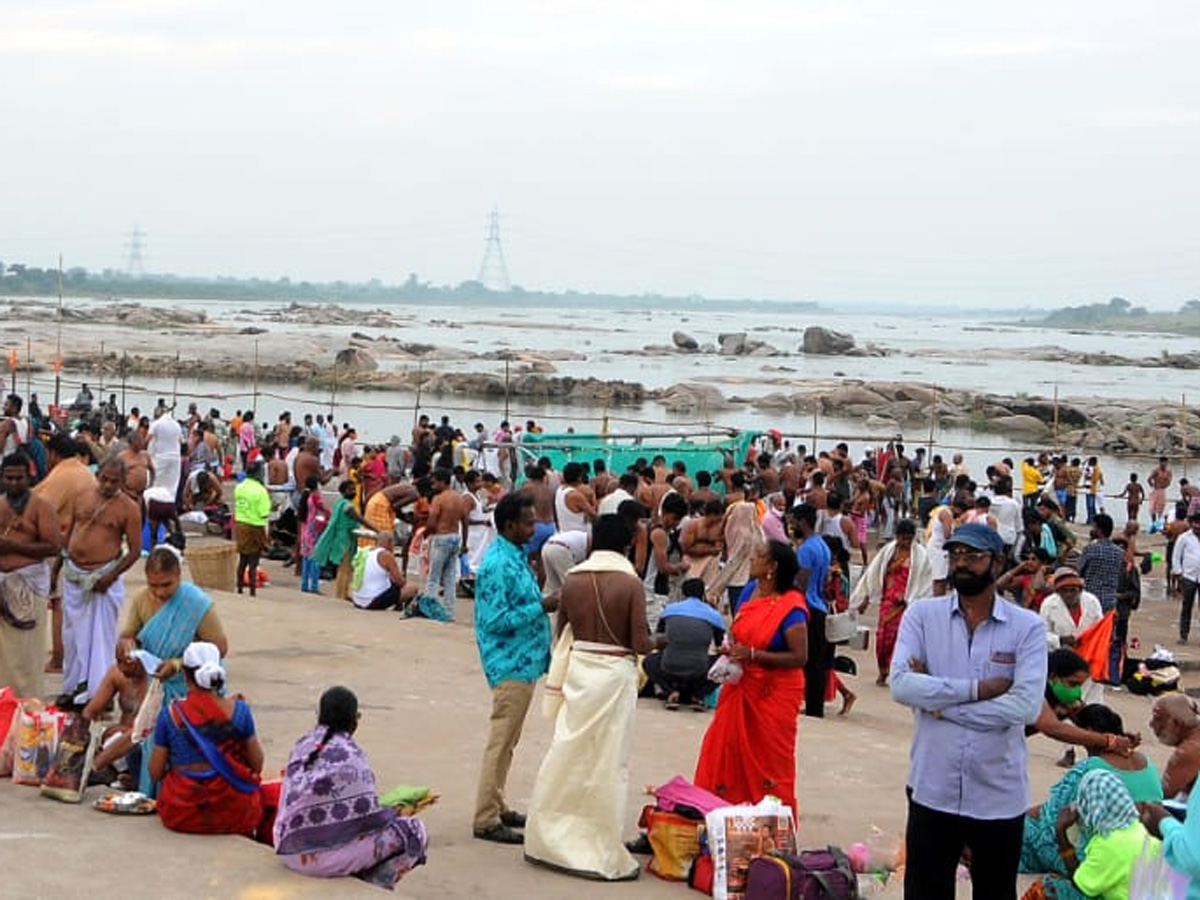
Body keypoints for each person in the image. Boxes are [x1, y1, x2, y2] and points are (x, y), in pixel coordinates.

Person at [890, 522, 1047, 900]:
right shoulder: (922, 617)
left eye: (973, 556)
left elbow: (1025, 706)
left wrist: (940, 706)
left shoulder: (1027, 628)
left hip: (997, 793)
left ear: (997, 562)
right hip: (933, 787)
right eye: (956, 555)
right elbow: (901, 685)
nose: (962, 564)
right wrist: (976, 691)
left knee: (994, 892)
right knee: (925, 892)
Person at [524, 515, 654, 881]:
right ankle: (596, 849)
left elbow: (562, 630)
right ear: (627, 544)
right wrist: (663, 641)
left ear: (594, 541)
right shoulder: (630, 584)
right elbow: (640, 643)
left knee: (565, 753)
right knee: (607, 764)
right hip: (613, 676)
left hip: (579, 670)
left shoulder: (574, 579)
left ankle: (545, 841)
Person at [694, 540, 808, 818]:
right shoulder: (749, 591)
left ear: (772, 568)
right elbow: (739, 631)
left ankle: (770, 824)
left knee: (769, 762)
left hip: (773, 693)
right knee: (725, 751)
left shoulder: (791, 606)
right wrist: (730, 646)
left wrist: (754, 654)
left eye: (759, 556)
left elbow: (799, 657)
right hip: (741, 687)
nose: (752, 559)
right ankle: (724, 817)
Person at [275, 686, 428, 887]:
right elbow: (371, 821)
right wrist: (395, 812)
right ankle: (375, 883)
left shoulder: (303, 745)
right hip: (318, 861)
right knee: (414, 830)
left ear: (319, 715)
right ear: (355, 721)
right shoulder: (353, 758)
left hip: (286, 848)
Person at [472, 492, 558, 845]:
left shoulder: (516, 556)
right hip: (509, 662)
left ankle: (497, 801)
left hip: (523, 661)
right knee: (501, 740)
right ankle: (486, 817)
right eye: (527, 522)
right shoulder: (497, 564)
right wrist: (543, 606)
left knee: (509, 741)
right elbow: (494, 620)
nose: (533, 527)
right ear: (508, 525)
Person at [117, 546, 228, 794]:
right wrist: (128, 647)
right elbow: (127, 635)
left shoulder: (196, 603)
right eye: (153, 586)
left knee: (187, 752)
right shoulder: (141, 601)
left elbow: (220, 648)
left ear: (179, 575)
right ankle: (156, 795)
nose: (159, 593)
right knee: (153, 747)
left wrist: (178, 664)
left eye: (166, 585)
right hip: (158, 689)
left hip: (191, 690)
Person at [1021, 705, 1162, 879]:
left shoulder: (1090, 768)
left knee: (1023, 829)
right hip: (1148, 848)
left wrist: (1022, 817)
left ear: (1089, 732)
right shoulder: (1145, 761)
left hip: (1108, 856)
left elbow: (1053, 814)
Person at [149, 641, 264, 835]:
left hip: (182, 813)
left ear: (184, 674)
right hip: (234, 812)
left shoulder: (170, 714)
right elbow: (257, 764)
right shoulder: (241, 711)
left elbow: (154, 772)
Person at [60, 457, 142, 706]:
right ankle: (73, 687)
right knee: (72, 638)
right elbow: (69, 533)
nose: (107, 485)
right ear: (98, 475)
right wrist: (57, 567)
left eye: (113, 481)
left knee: (101, 641)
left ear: (123, 481)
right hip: (73, 575)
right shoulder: (82, 496)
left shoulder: (129, 508)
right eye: (103, 479)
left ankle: (100, 693)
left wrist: (110, 576)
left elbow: (135, 551)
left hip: (103, 579)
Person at [1027, 769, 1157, 900]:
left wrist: (1061, 834)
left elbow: (1080, 885)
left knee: (1048, 887)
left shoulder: (1108, 844)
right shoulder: (1140, 827)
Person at [0, 451, 61, 699]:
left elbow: (53, 546)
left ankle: (28, 706)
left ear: (29, 477)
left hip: (29, 585)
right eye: (9, 478)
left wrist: (14, 547)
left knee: (28, 653)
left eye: (19, 478)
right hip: (3, 588)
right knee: (3, 656)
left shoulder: (41, 507)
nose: (14, 483)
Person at [853, 519, 933, 686]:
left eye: (909, 539)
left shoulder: (921, 556)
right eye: (903, 538)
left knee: (900, 640)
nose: (905, 542)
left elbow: (924, 583)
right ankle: (882, 670)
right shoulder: (888, 552)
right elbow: (873, 575)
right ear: (897, 537)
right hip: (887, 603)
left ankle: (896, 672)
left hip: (905, 605)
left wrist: (911, 600)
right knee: (882, 639)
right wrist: (865, 598)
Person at [644, 577, 726, 710]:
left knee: (648, 661)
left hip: (669, 666)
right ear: (703, 595)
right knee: (725, 664)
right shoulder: (714, 615)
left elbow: (660, 640)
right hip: (699, 669)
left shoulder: (669, 610)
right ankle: (698, 695)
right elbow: (721, 646)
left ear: (683, 594)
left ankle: (671, 691)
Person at [82, 649, 149, 788]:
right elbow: (90, 713)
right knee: (110, 736)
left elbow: (143, 729)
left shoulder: (156, 680)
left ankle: (119, 774)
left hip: (142, 744)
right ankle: (118, 773)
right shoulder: (116, 673)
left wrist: (96, 763)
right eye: (118, 661)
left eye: (127, 662)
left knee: (132, 742)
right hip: (118, 745)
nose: (121, 667)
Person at [792, 503, 833, 718]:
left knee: (808, 660)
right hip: (819, 605)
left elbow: (802, 581)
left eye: (794, 521)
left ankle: (812, 705)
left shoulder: (806, 549)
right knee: (817, 660)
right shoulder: (822, 546)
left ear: (803, 522)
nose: (792, 525)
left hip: (807, 606)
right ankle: (816, 705)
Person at [311, 480, 368, 602]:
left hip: (342, 538)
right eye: (350, 489)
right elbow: (360, 519)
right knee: (345, 568)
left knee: (344, 567)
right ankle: (342, 593)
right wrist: (375, 529)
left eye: (354, 489)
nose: (353, 492)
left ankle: (343, 592)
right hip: (345, 540)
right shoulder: (348, 506)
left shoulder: (339, 503)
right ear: (343, 492)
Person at [425, 468, 468, 619]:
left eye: (434, 482)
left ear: (442, 482)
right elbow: (465, 521)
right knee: (450, 577)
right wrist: (465, 543)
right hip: (455, 536)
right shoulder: (459, 498)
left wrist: (427, 532)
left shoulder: (439, 499)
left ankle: (430, 608)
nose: (432, 485)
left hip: (441, 536)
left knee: (434, 576)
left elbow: (432, 520)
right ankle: (449, 611)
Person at [1150, 694, 1200, 801]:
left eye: (1158, 719)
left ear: (1175, 723)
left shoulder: (1188, 751)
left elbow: (1161, 795)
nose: (1151, 724)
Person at [1039, 568, 1103, 650]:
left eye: (1073, 590)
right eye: (1064, 591)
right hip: (1060, 654)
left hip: (1089, 651)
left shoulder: (1092, 601)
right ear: (1058, 592)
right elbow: (1042, 634)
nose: (1069, 594)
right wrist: (1060, 640)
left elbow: (1100, 628)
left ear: (1080, 590)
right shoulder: (1048, 604)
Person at [233, 460, 271, 598]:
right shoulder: (261, 490)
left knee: (242, 559)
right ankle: (252, 591)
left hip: (240, 525)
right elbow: (264, 513)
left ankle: (239, 588)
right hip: (255, 526)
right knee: (253, 562)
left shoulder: (239, 487)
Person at [351, 534, 419, 611]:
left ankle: (397, 605)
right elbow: (400, 582)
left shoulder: (365, 551)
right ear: (390, 543)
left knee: (392, 584)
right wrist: (402, 579)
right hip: (371, 601)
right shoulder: (386, 555)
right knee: (413, 589)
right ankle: (401, 609)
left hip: (357, 600)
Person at [296, 475, 329, 594]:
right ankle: (314, 585)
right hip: (314, 529)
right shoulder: (315, 497)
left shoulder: (305, 497)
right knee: (315, 558)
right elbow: (324, 510)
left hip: (306, 529)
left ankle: (305, 584)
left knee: (306, 558)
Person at [1173, 512, 1200, 644]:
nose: (1198, 526)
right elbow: (1176, 557)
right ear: (1191, 523)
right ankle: (1183, 635)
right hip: (1188, 576)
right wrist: (1179, 573)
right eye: (1195, 523)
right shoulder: (1184, 538)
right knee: (1186, 606)